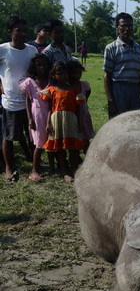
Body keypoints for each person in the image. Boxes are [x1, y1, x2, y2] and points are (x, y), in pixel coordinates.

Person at [0, 15, 37, 183]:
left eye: (25, 30)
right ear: (10, 32)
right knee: (9, 136)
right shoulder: (3, 49)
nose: (23, 33)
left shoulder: (32, 50)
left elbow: (36, 72)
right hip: (11, 101)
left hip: (30, 100)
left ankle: (34, 164)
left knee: (31, 135)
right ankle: (9, 167)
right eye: (18, 30)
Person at [41, 61, 86, 182]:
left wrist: (79, 123)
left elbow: (78, 109)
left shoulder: (73, 90)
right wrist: (48, 123)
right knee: (60, 147)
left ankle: (74, 169)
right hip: (56, 120)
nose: (63, 76)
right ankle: (64, 172)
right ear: (53, 75)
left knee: (73, 147)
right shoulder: (51, 90)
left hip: (71, 120)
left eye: (65, 73)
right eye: (59, 73)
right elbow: (50, 108)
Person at [103, 12, 140, 119]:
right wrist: (110, 100)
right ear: (117, 27)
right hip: (119, 89)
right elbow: (107, 75)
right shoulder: (111, 48)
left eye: (130, 25)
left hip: (135, 89)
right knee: (119, 122)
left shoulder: (137, 48)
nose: (127, 28)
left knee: (136, 122)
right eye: (123, 25)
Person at [20, 53, 51, 181]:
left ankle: (53, 167)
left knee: (50, 140)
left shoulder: (51, 81)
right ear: (34, 67)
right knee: (39, 143)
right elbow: (28, 100)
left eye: (44, 65)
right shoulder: (30, 82)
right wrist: (30, 119)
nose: (42, 67)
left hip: (50, 114)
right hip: (37, 115)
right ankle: (34, 169)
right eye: (38, 65)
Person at [67, 59, 94, 149]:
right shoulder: (67, 86)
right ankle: (76, 155)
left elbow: (87, 92)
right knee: (74, 136)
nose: (77, 75)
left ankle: (87, 152)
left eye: (79, 72)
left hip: (83, 114)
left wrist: (85, 102)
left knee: (85, 135)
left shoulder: (84, 84)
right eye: (74, 73)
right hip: (72, 115)